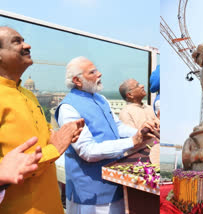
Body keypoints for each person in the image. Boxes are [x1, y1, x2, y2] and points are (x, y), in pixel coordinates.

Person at [55, 56, 159, 214]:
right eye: (93, 72)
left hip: (115, 185)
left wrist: (142, 132)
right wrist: (133, 141)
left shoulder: (100, 99)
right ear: (77, 80)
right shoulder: (68, 108)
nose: (99, 74)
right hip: (90, 195)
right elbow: (87, 151)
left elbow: (116, 127)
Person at [0, 26, 85, 214]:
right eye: (17, 41)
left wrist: (64, 135)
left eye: (24, 40)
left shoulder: (28, 95)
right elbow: (11, 168)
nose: (27, 45)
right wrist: (54, 149)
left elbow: (46, 137)